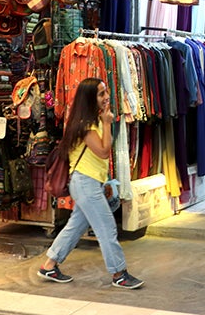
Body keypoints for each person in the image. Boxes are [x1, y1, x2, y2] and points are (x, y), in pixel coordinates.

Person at [38, 78, 144, 289]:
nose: (106, 97)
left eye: (106, 92)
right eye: (101, 94)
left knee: (76, 226)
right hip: (85, 184)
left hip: (89, 183)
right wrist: (107, 123)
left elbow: (102, 153)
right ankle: (119, 274)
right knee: (107, 228)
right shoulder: (86, 125)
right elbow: (104, 152)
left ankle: (49, 265)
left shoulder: (92, 121)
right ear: (89, 98)